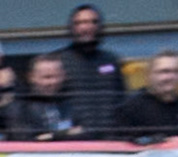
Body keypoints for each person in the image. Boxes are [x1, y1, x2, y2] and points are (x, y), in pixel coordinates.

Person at [52, 3, 125, 137]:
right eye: (80, 23)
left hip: (111, 139)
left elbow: (122, 99)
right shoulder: (57, 61)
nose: (86, 27)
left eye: (93, 22)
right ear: (72, 28)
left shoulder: (111, 60)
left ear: (100, 27)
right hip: (74, 141)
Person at [113, 50, 178, 142]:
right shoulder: (131, 106)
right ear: (150, 75)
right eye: (164, 72)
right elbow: (119, 145)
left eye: (176, 72)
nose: (170, 77)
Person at [6, 54, 81, 141]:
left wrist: (48, 136)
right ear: (31, 77)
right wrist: (62, 134)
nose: (52, 82)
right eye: (47, 77)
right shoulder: (20, 108)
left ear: (64, 76)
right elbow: (25, 140)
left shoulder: (74, 103)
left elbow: (87, 133)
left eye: (57, 76)